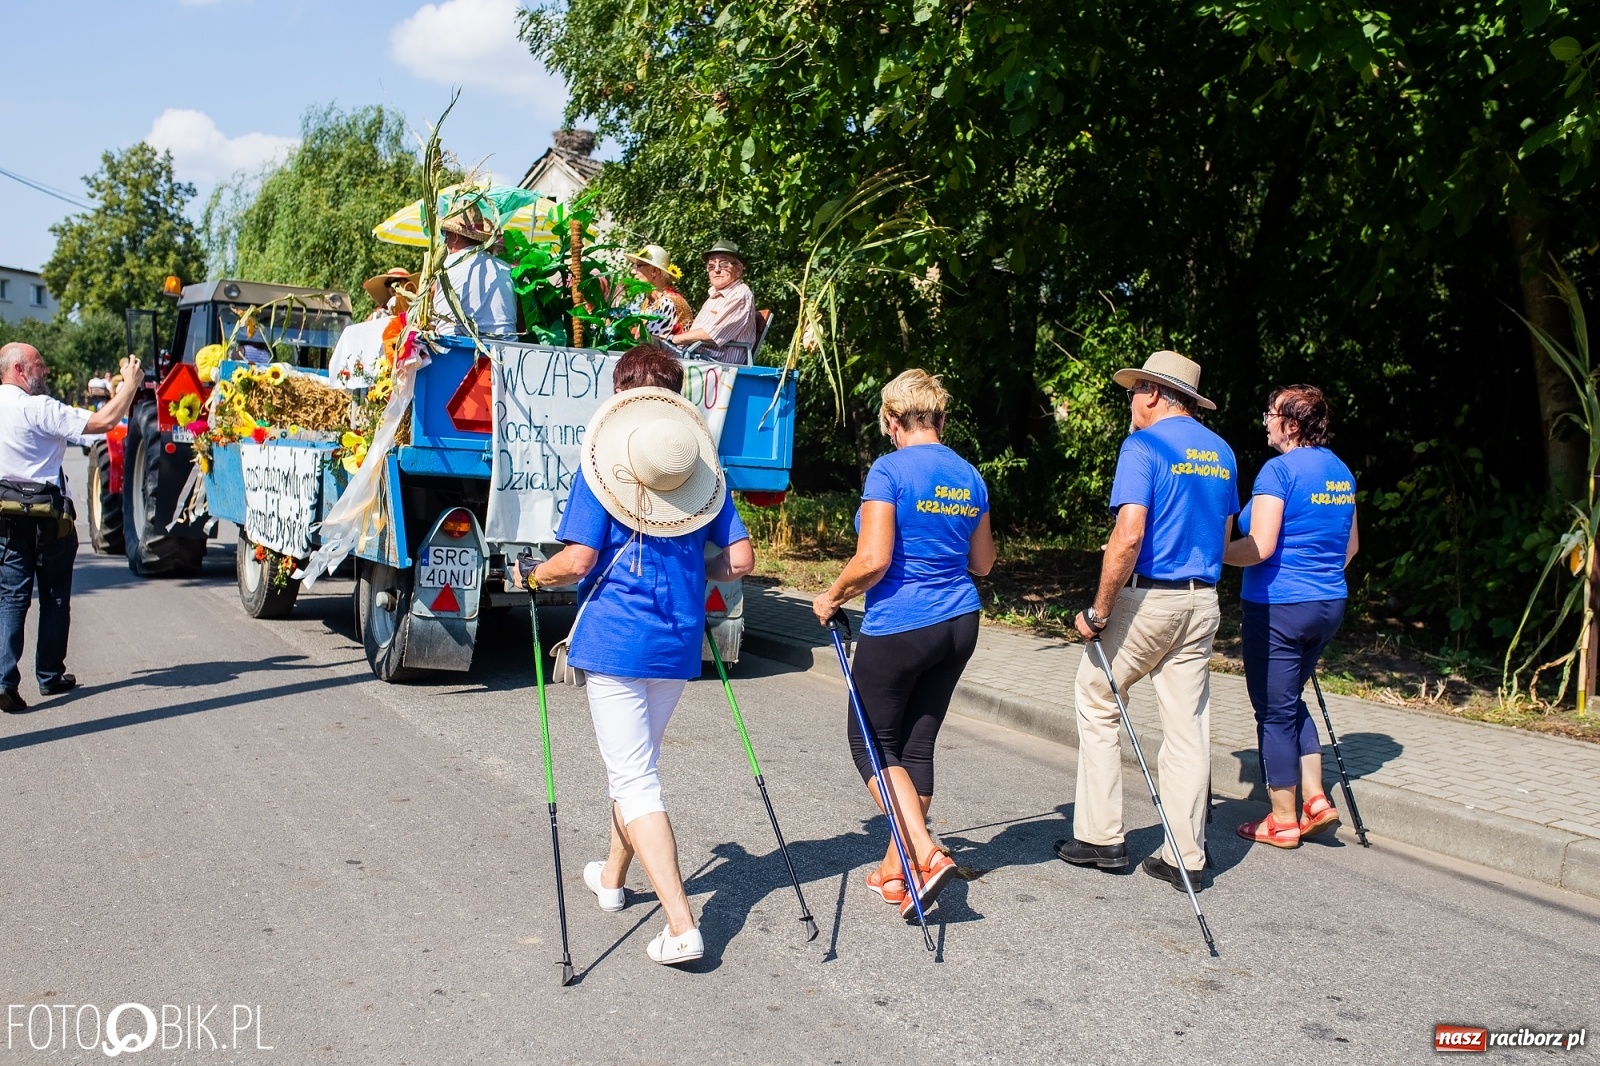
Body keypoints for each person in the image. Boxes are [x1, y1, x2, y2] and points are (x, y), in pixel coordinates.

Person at [509, 344, 755, 967]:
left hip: (617, 641)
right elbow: (742, 561)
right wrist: (686, 566)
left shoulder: (599, 470)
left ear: (622, 398)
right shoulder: (700, 477)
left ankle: (682, 924)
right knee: (636, 766)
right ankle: (613, 878)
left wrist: (533, 576)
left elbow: (578, 562)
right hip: (677, 643)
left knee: (635, 777)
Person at [811, 369, 996, 919]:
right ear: (940, 418)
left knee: (870, 741)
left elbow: (873, 560)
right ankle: (897, 869)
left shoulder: (888, 470)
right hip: (960, 622)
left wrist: (832, 595)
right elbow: (983, 562)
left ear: (892, 420)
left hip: (902, 623)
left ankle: (925, 852)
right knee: (914, 745)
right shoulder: (969, 475)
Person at [1054, 350, 1238, 891]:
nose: (1131, 400)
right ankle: (1186, 855)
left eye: (1136, 390)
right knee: (1187, 728)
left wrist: (1099, 611)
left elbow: (1129, 534)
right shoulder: (1222, 452)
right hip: (1202, 600)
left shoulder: (1143, 446)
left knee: (1097, 695)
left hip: (1147, 599)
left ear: (1155, 394)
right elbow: (1224, 541)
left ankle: (1102, 837)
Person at [1224, 384, 1359, 848]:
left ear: (1292, 424)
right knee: (1288, 700)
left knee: (1272, 711)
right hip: (1328, 604)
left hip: (1277, 608)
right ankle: (1316, 799)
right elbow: (1351, 546)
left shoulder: (1278, 472)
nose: (1265, 419)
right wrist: (1316, 579)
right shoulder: (1341, 471)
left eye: (1271, 412)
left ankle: (1282, 819)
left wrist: (1213, 553)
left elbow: (1259, 546)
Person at [0, 343, 143, 713]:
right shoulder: (38, 408)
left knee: (12, 599)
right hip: (48, 519)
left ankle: (4, 680)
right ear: (18, 370)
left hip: (5, 517)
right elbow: (104, 423)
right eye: (39, 365)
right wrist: (129, 384)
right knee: (54, 597)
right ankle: (49, 675)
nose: (45, 371)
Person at [431, 203, 516, 339]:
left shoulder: (443, 269)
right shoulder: (505, 268)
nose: (445, 241)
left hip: (454, 354)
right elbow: (519, 326)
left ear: (455, 237)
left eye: (445, 235)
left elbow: (424, 317)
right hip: (505, 354)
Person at [672, 240, 761, 365]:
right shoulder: (714, 295)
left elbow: (711, 334)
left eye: (724, 264)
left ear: (739, 269)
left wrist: (673, 339)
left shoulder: (740, 295)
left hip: (719, 367)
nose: (717, 270)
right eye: (711, 266)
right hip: (698, 359)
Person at [329, 268, 417, 389]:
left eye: (397, 281)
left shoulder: (417, 313)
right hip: (381, 376)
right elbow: (360, 336)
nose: (393, 286)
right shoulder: (378, 314)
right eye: (389, 284)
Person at [624, 245, 693, 340]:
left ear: (655, 271)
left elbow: (651, 344)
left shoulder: (668, 302)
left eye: (639, 266)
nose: (633, 271)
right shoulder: (650, 300)